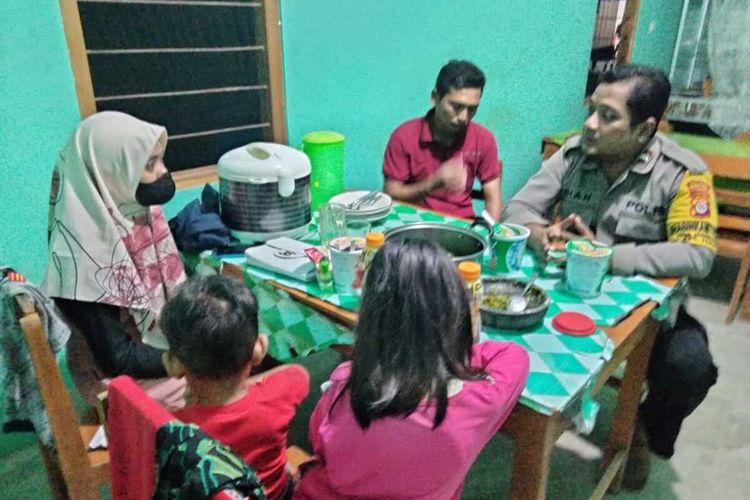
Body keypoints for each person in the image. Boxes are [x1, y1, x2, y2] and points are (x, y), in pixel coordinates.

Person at [503, 64, 719, 488]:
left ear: (644, 129)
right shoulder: (573, 154)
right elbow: (518, 209)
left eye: (607, 116)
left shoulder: (683, 173)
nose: (589, 124)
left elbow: (698, 256)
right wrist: (540, 233)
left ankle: (642, 429)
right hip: (567, 295)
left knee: (691, 369)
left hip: (643, 312)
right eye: (591, 110)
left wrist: (609, 256)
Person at [295, 239, 529, 499]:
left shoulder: (345, 384)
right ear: (459, 317)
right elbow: (514, 355)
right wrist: (449, 353)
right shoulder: (482, 402)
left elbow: (318, 442)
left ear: (371, 320)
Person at [41, 111, 187, 410]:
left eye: (161, 160)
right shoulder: (84, 253)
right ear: (110, 173)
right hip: (113, 379)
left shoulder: (133, 215)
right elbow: (116, 358)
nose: (164, 171)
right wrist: (193, 359)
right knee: (223, 377)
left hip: (145, 352)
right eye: (150, 164)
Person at [162, 275, 309, 500]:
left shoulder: (177, 427)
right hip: (277, 494)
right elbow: (296, 373)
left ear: (173, 365)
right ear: (259, 349)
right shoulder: (281, 393)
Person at [383, 60, 502, 221]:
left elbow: (493, 200)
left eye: (472, 109)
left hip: (461, 224)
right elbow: (390, 194)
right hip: (413, 221)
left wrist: (489, 230)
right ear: (435, 98)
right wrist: (433, 183)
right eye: (456, 106)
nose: (464, 117)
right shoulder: (404, 136)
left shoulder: (484, 139)